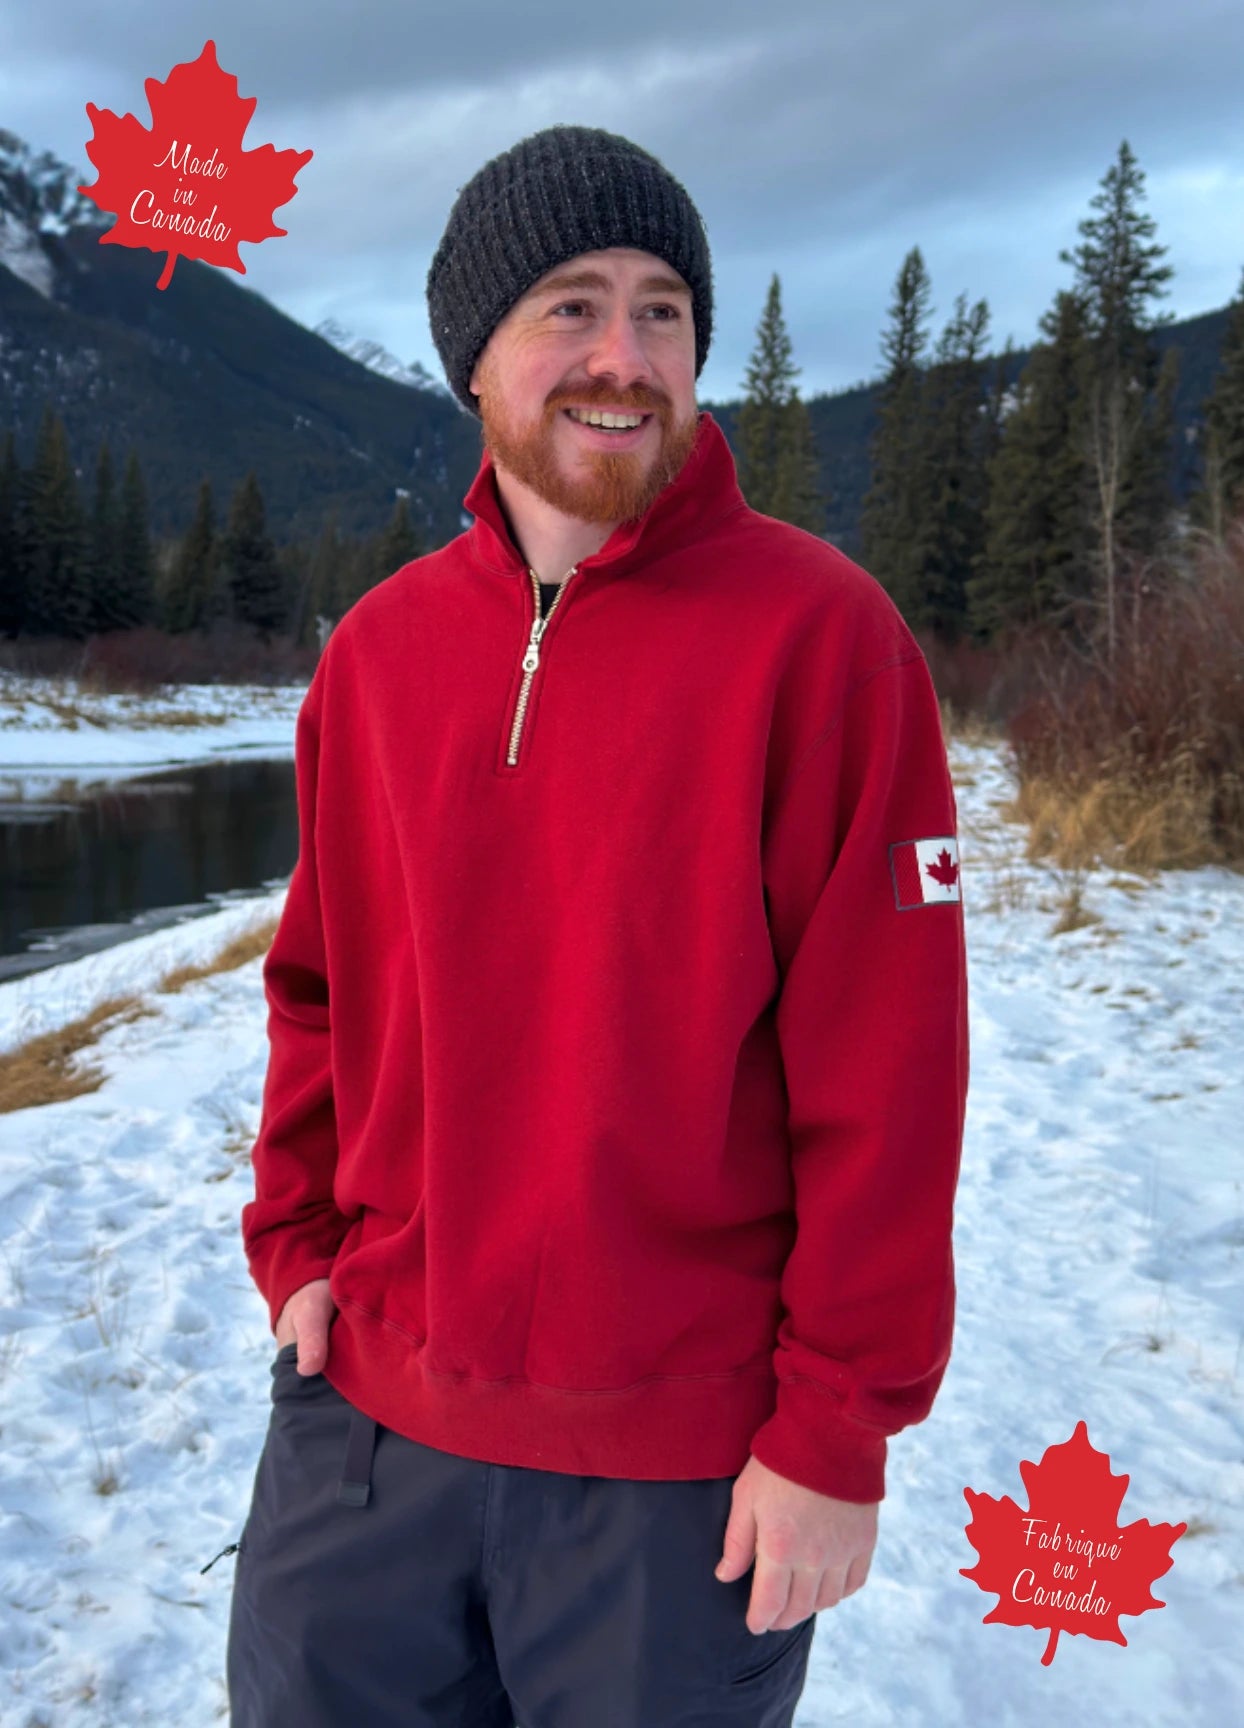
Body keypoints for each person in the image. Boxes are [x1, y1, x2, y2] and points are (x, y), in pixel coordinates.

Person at [224, 123, 970, 1727]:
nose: (624, 356)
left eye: (664, 311)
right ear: (474, 360)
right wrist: (293, 1245)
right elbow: (320, 991)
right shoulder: (377, 655)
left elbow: (890, 1080)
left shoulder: (824, 644)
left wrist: (836, 1434)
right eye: (570, 306)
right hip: (366, 1438)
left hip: (675, 1479)